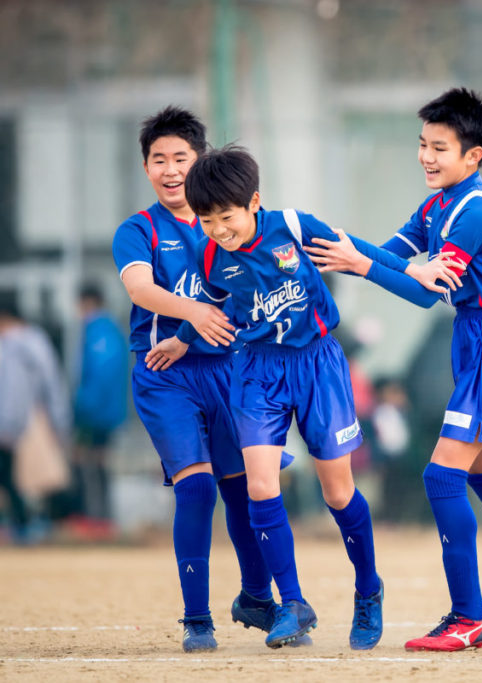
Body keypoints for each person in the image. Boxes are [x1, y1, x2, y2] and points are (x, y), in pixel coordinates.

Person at [304, 87, 482, 651]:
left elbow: (428, 289)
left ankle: (469, 615)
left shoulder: (476, 208)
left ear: (473, 156)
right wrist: (320, 237)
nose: (427, 156)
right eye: (423, 144)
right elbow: (391, 254)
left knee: (441, 476)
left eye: (440, 147)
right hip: (479, 339)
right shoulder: (438, 204)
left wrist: (358, 263)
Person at [147, 145, 385, 651]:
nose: (217, 229)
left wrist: (410, 272)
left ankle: (369, 589)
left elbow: (357, 251)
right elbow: (214, 307)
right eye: (206, 219)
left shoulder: (295, 228)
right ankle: (293, 603)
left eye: (226, 217)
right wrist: (182, 339)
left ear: (255, 202)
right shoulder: (211, 254)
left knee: (338, 493)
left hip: (318, 364)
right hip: (257, 370)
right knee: (260, 484)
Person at [111, 107, 306, 652]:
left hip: (232, 370)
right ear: (146, 167)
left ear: (199, 162)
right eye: (159, 159)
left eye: (181, 158)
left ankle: (256, 598)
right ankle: (197, 620)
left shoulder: (228, 224)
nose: (171, 169)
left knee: (246, 490)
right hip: (165, 372)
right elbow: (140, 290)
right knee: (196, 489)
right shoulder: (139, 229)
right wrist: (193, 315)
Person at [0, 289, 71, 544]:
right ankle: (26, 525)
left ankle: (32, 526)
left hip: (28, 422)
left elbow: (50, 387)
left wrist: (59, 421)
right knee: (17, 480)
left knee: (27, 480)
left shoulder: (26, 343)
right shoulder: (25, 343)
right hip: (20, 422)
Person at [68, 283, 129, 536]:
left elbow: (101, 375)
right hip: (106, 412)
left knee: (90, 465)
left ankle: (96, 519)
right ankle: (100, 518)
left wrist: (81, 409)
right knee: (97, 464)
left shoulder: (99, 331)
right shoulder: (110, 329)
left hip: (95, 414)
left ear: (87, 302)